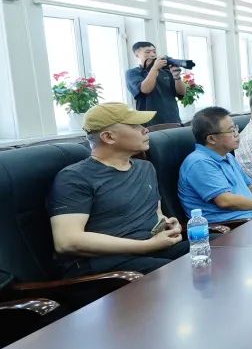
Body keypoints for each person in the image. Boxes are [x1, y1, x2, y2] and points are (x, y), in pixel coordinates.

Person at [47, 103, 187, 276]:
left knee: (212, 247)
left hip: (150, 249)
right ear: (108, 137)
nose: (145, 130)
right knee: (177, 274)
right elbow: (67, 242)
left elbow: (155, 212)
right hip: (106, 264)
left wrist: (166, 224)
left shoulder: (145, 168)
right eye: (135, 126)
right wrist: (145, 246)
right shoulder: (74, 178)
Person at [179, 107, 252, 224]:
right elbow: (225, 201)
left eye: (235, 128)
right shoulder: (199, 163)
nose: (237, 134)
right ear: (211, 139)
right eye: (231, 131)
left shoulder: (227, 156)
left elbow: (250, 186)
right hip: (231, 225)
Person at [124, 41, 185, 127]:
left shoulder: (166, 72)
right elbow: (145, 90)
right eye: (147, 52)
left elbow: (181, 93)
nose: (152, 55)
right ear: (137, 55)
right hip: (150, 123)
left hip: (173, 120)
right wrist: (155, 68)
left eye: (154, 52)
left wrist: (177, 77)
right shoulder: (133, 73)